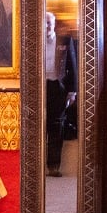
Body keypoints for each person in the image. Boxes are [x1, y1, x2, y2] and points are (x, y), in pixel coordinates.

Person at [44, 12, 77, 177]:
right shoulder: (35, 41)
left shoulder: (65, 40)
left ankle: (54, 165)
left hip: (58, 87)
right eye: (44, 22)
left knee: (57, 126)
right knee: (40, 125)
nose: (47, 26)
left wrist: (72, 91)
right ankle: (38, 162)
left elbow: (72, 64)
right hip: (41, 87)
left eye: (49, 22)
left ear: (54, 23)